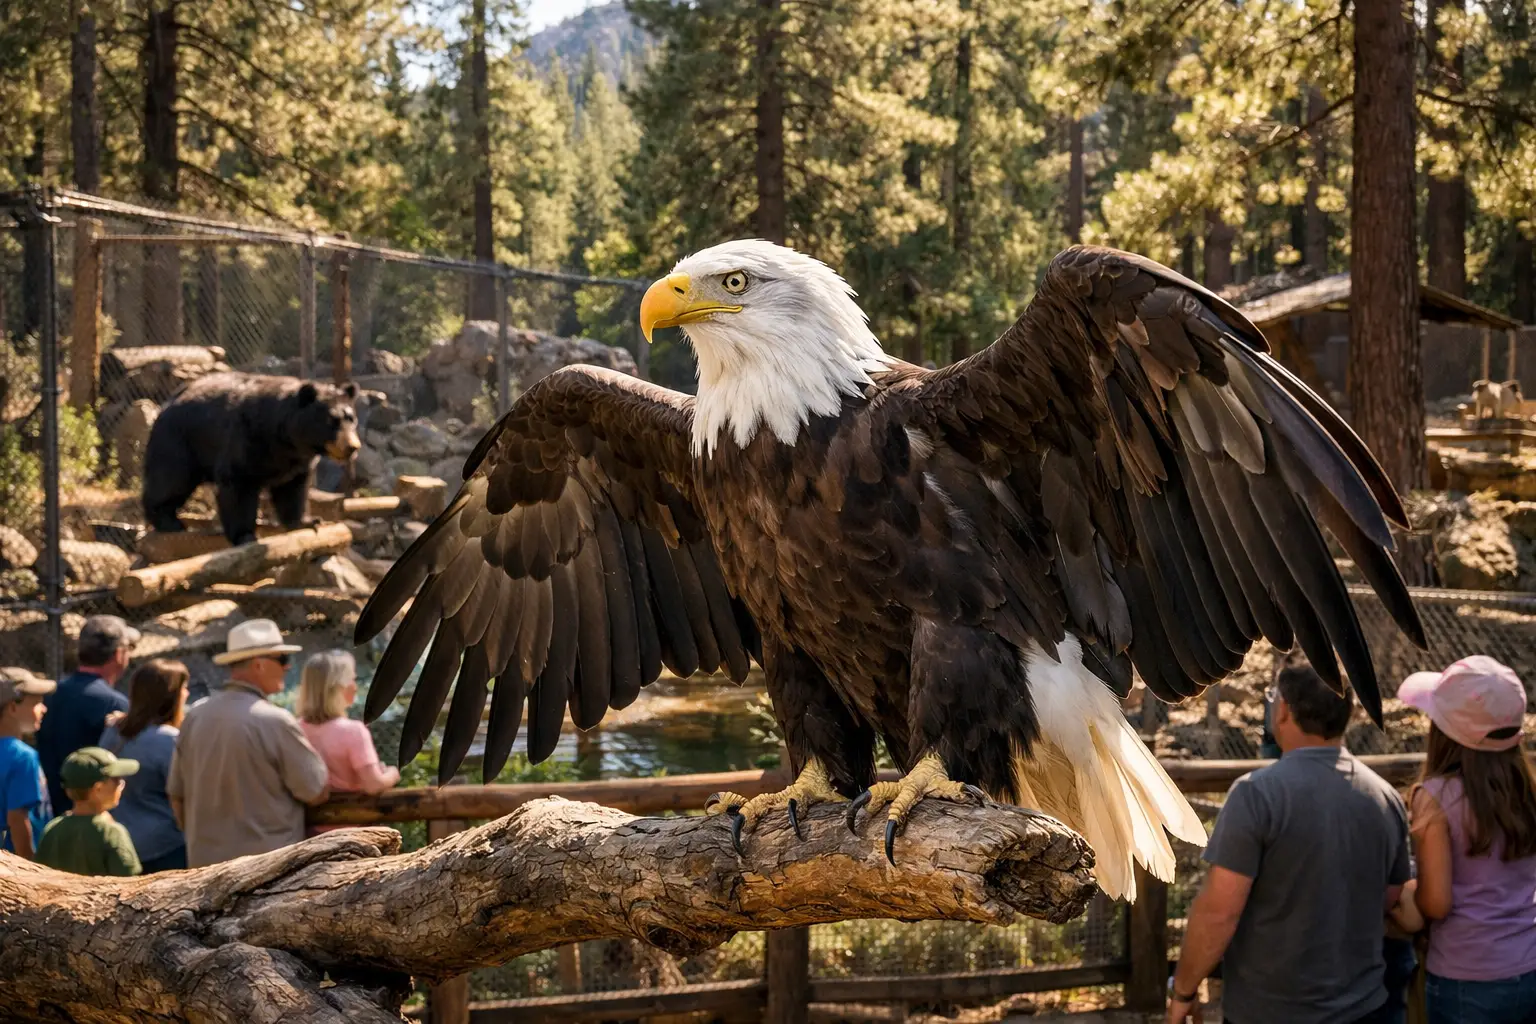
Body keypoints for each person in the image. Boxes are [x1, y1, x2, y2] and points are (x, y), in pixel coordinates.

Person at [1167, 660, 1411, 1024]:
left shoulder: (1255, 795)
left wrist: (1183, 991)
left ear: (1282, 711)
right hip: (1364, 1007)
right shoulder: (1385, 796)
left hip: (1268, 1011)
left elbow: (1219, 912)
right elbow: (1391, 897)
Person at [1400, 656, 1536, 1024]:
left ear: (1443, 731)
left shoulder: (1434, 798)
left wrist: (1410, 892)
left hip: (1467, 977)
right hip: (1529, 964)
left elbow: (1436, 904)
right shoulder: (1526, 791)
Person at [167, 619, 329, 867]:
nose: (287, 667)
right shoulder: (275, 720)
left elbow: (176, 797)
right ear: (259, 664)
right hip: (268, 871)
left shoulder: (195, 716)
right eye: (282, 659)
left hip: (205, 868)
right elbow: (316, 791)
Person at [37, 615, 140, 816]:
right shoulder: (114, 704)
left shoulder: (50, 695)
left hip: (51, 812)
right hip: (93, 814)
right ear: (119, 654)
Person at [100, 658, 190, 872]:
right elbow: (183, 795)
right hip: (166, 848)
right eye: (184, 688)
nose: (187, 694)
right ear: (171, 696)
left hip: (120, 843)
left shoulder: (113, 730)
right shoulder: (169, 740)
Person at [297, 650, 399, 810]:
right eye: (352, 680)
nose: (355, 687)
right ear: (338, 687)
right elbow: (374, 784)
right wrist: (392, 773)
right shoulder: (353, 731)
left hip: (309, 823)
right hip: (353, 821)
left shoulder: (295, 729)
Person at [34, 746, 142, 877]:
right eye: (117, 780)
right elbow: (130, 882)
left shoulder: (51, 829)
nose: (121, 784)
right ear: (98, 789)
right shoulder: (112, 832)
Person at [0, 667, 54, 859]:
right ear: (13, 708)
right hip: (17, 865)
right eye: (37, 703)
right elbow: (17, 820)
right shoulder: (22, 757)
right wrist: (32, 865)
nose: (44, 709)